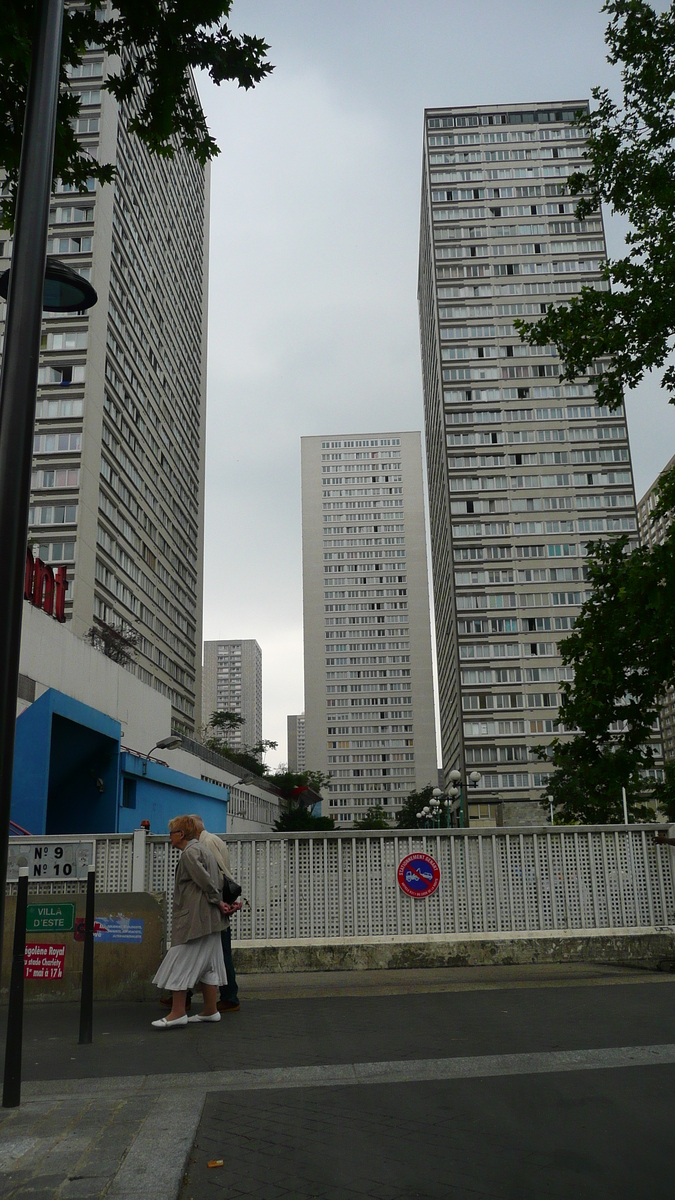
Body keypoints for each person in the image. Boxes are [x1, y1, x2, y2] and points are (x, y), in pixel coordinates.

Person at [151, 814, 229, 1029]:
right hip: (210, 920)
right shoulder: (203, 849)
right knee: (209, 966)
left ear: (181, 834)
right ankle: (210, 1010)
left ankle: (177, 1013)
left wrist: (217, 900)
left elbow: (205, 880)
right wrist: (219, 902)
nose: (170, 837)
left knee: (178, 961)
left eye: (172, 832)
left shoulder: (190, 853)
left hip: (196, 919)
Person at [192, 815, 241, 1012]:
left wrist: (221, 902)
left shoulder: (207, 842)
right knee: (218, 950)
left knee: (218, 950)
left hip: (216, 905)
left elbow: (217, 874)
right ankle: (228, 996)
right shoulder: (210, 839)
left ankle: (229, 996)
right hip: (218, 903)